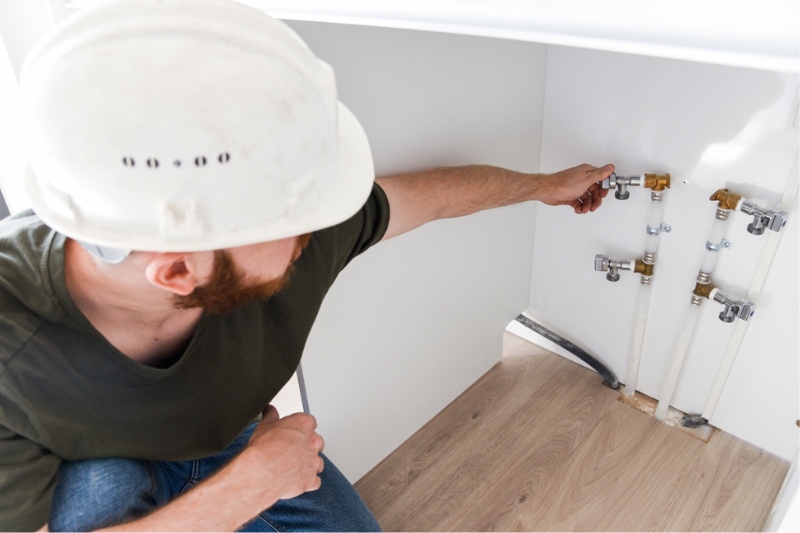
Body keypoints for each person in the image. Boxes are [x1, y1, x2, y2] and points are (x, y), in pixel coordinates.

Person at [0, 0, 613, 531]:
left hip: (230, 441)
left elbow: (434, 195)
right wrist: (253, 485)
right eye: (290, 225)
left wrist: (546, 186)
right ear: (177, 273)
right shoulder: (13, 348)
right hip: (86, 462)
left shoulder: (277, 229)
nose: (314, 230)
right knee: (98, 492)